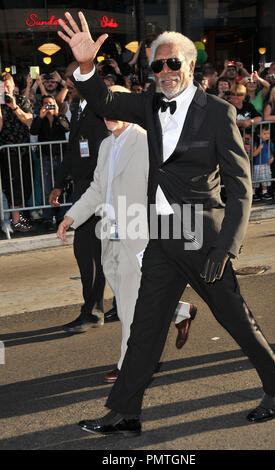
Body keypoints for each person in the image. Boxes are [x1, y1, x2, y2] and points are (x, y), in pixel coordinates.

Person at [58, 12, 275, 437]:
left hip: (201, 232)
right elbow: (106, 102)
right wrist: (86, 68)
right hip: (161, 232)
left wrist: (227, 247)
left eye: (173, 63)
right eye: (157, 65)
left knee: (234, 317)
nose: (165, 72)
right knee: (146, 324)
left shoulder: (219, 113)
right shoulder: (147, 104)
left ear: (191, 66)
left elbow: (241, 188)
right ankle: (124, 411)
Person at [57, 85, 197, 381]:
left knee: (129, 304)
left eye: (114, 108)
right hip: (110, 232)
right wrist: (72, 216)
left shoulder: (146, 141)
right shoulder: (107, 145)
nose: (108, 115)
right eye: (104, 110)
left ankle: (132, 363)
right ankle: (180, 311)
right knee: (133, 299)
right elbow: (97, 188)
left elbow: (165, 187)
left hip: (138, 234)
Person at [49, 74, 117, 332]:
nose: (67, 83)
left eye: (70, 78)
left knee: (93, 252)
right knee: (95, 252)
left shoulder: (102, 108)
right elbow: (73, 149)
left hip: (99, 191)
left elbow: (104, 153)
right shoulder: (78, 107)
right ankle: (112, 307)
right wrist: (60, 183)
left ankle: (93, 312)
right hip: (84, 189)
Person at [30, 94, 70, 229]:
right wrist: (41, 117)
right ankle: (48, 218)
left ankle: (60, 218)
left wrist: (57, 115)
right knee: (47, 189)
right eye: (45, 103)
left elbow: (67, 128)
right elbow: (33, 131)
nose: (48, 106)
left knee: (61, 188)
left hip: (60, 158)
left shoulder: (61, 117)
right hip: (45, 158)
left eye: (51, 103)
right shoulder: (39, 119)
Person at [0, 72, 34, 232]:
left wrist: (14, 106)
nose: (5, 89)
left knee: (26, 185)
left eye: (7, 85)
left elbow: (29, 120)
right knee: (13, 186)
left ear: (13, 86)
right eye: (2, 86)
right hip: (7, 151)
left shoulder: (21, 101)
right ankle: (16, 220)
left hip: (24, 150)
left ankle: (19, 217)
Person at [252, 125, 274, 202]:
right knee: (256, 178)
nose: (267, 135)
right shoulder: (256, 143)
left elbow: (271, 152)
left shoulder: (269, 142)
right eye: (264, 133)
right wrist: (259, 148)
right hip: (258, 164)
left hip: (266, 164)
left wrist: (272, 158)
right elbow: (254, 154)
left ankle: (264, 192)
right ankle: (253, 193)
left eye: (268, 133)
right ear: (259, 135)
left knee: (265, 178)